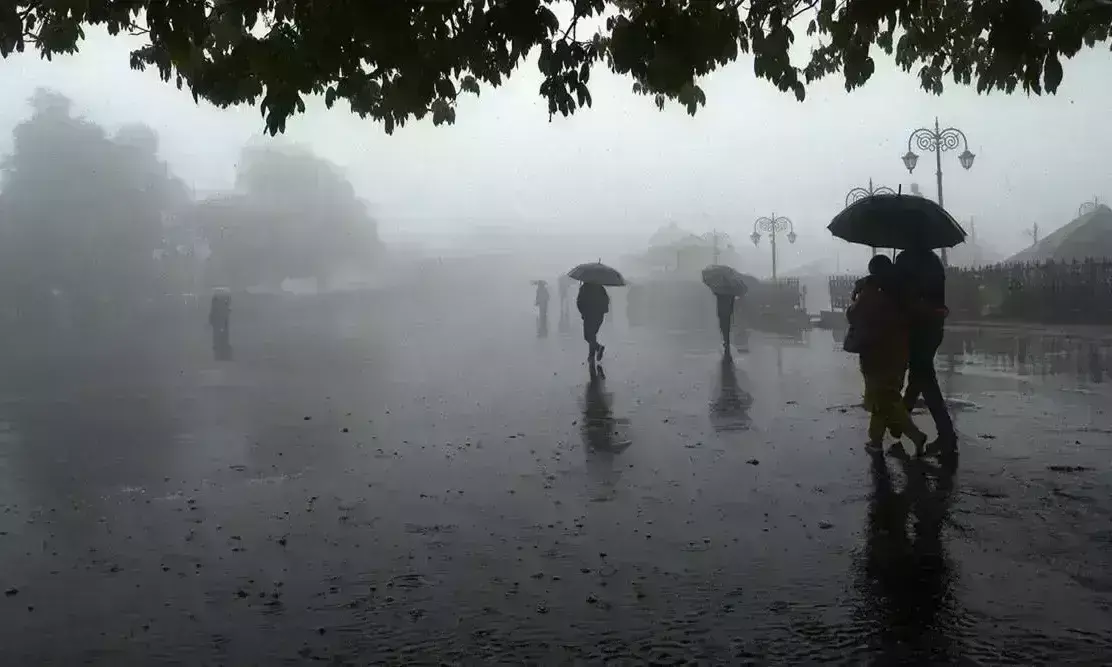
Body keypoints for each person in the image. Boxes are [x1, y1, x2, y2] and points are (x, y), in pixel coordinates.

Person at [847, 255, 927, 454]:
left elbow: (854, 314)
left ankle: (915, 435)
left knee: (883, 399)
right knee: (885, 397)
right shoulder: (902, 289)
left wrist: (857, 295)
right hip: (898, 350)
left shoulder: (873, 291)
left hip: (876, 352)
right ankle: (875, 440)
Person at [894, 245, 957, 454]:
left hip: (916, 326)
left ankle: (946, 435)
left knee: (925, 379)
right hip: (933, 327)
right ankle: (898, 424)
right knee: (919, 376)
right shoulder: (933, 260)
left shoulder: (906, 260)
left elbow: (899, 292)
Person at [576, 281, 610, 364]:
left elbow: (579, 302)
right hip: (599, 315)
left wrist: (583, 312)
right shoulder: (600, 287)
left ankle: (592, 354)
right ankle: (597, 350)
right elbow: (606, 300)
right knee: (592, 335)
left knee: (588, 336)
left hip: (588, 315)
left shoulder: (584, 288)